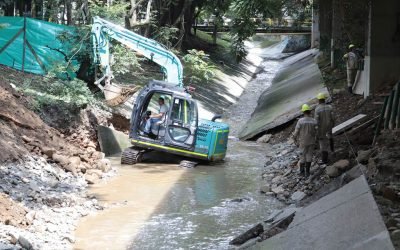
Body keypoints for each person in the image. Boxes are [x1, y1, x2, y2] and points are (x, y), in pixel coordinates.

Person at [292, 104, 318, 177]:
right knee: (309, 156)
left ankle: (302, 172)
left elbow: (296, 132)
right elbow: (317, 130)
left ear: (303, 112)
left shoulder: (300, 121)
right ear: (309, 111)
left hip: (303, 142)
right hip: (312, 141)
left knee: (303, 156)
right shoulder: (314, 121)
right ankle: (308, 172)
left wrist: (294, 138)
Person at [315, 93, 335, 164]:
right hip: (329, 125)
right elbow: (333, 117)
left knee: (322, 143)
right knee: (330, 136)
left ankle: (324, 160)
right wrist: (333, 124)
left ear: (319, 100)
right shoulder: (329, 107)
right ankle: (332, 150)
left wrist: (316, 131)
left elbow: (316, 121)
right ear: (324, 99)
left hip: (322, 128)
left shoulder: (317, 109)